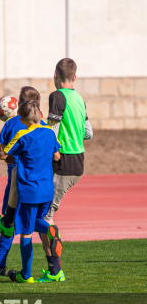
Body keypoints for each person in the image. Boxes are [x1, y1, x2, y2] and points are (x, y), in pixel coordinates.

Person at [0, 100, 64, 283]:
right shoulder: (50, 132)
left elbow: (5, 154)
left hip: (28, 189)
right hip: (47, 189)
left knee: (26, 232)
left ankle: (26, 275)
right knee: (35, 222)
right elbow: (57, 156)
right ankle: (50, 230)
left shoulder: (22, 134)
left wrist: (6, 150)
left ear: (21, 119)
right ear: (40, 115)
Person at [0, 87, 44, 276]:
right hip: (40, 183)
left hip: (16, 182)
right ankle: (52, 262)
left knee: (7, 222)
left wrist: (11, 158)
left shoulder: (11, 123)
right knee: (36, 221)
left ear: (18, 103)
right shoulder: (44, 125)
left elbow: (2, 154)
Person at [45, 58, 93, 224]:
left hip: (62, 161)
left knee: (45, 215)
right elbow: (89, 133)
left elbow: (52, 130)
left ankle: (52, 246)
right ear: (75, 77)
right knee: (43, 212)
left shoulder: (56, 96)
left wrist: (54, 151)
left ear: (55, 75)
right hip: (78, 162)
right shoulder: (79, 99)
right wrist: (74, 136)